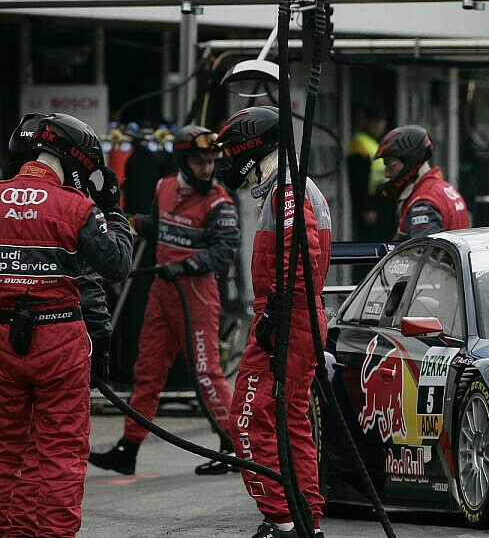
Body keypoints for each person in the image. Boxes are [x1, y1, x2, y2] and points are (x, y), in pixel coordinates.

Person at [0, 112, 133, 538]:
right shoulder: (77, 206)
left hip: (3, 339)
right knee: (59, 451)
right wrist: (114, 212)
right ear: (74, 159)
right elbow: (115, 265)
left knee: (5, 451)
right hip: (59, 337)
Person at [88, 125, 241, 476]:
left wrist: (187, 265)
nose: (207, 169)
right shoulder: (164, 187)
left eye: (211, 162)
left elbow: (225, 252)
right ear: (184, 161)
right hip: (161, 296)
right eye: (200, 162)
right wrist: (131, 222)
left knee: (206, 373)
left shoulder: (220, 201)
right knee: (147, 374)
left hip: (197, 297)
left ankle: (231, 445)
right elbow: (159, 225)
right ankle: (129, 449)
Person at [218, 106, 330, 538]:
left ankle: (282, 520)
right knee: (292, 420)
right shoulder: (293, 187)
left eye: (231, 152)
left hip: (287, 318)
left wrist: (275, 315)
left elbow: (299, 254)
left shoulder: (288, 191)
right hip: (296, 316)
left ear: (251, 146)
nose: (228, 164)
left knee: (247, 419)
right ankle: (304, 522)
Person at [375, 124, 470, 239]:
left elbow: (424, 255)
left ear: (409, 161)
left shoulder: (423, 202)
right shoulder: (442, 188)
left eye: (390, 164)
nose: (386, 173)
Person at [347, 107, 395, 241]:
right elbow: (357, 181)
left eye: (381, 121)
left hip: (383, 201)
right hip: (370, 204)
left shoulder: (379, 142)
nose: (379, 125)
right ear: (367, 123)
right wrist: (366, 208)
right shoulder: (360, 144)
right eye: (375, 122)